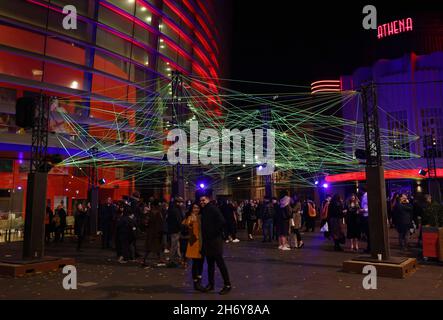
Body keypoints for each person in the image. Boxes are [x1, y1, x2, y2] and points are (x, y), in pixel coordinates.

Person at [199, 195, 232, 295]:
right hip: (208, 241)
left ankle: (227, 284)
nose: (202, 202)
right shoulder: (204, 210)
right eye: (200, 200)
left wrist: (214, 233)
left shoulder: (213, 209)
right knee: (210, 264)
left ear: (208, 200)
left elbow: (222, 222)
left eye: (203, 200)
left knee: (219, 263)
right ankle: (211, 284)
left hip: (214, 241)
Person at [182, 203, 205, 291]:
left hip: (202, 243)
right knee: (195, 264)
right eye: (194, 208)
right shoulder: (190, 217)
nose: (196, 209)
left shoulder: (201, 217)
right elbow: (187, 226)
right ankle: (196, 283)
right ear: (191, 209)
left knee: (201, 263)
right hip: (194, 243)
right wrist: (190, 222)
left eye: (198, 208)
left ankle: (199, 280)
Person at [143, 200, 164, 266]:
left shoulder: (150, 213)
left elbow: (146, 222)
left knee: (151, 247)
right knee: (156, 246)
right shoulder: (158, 213)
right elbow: (160, 223)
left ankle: (144, 259)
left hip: (151, 232)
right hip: (155, 232)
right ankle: (145, 259)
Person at [167, 196, 185, 264]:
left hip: (174, 229)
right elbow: (178, 220)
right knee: (174, 245)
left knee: (177, 245)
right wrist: (181, 227)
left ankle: (179, 258)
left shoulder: (173, 208)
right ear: (178, 203)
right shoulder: (176, 210)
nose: (182, 204)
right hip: (175, 229)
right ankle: (171, 260)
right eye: (181, 202)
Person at [360, 188, 370, 253]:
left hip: (367, 215)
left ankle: (369, 248)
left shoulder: (366, 196)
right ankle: (369, 247)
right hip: (365, 215)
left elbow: (368, 206)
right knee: (368, 233)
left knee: (368, 233)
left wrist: (364, 210)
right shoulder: (365, 196)